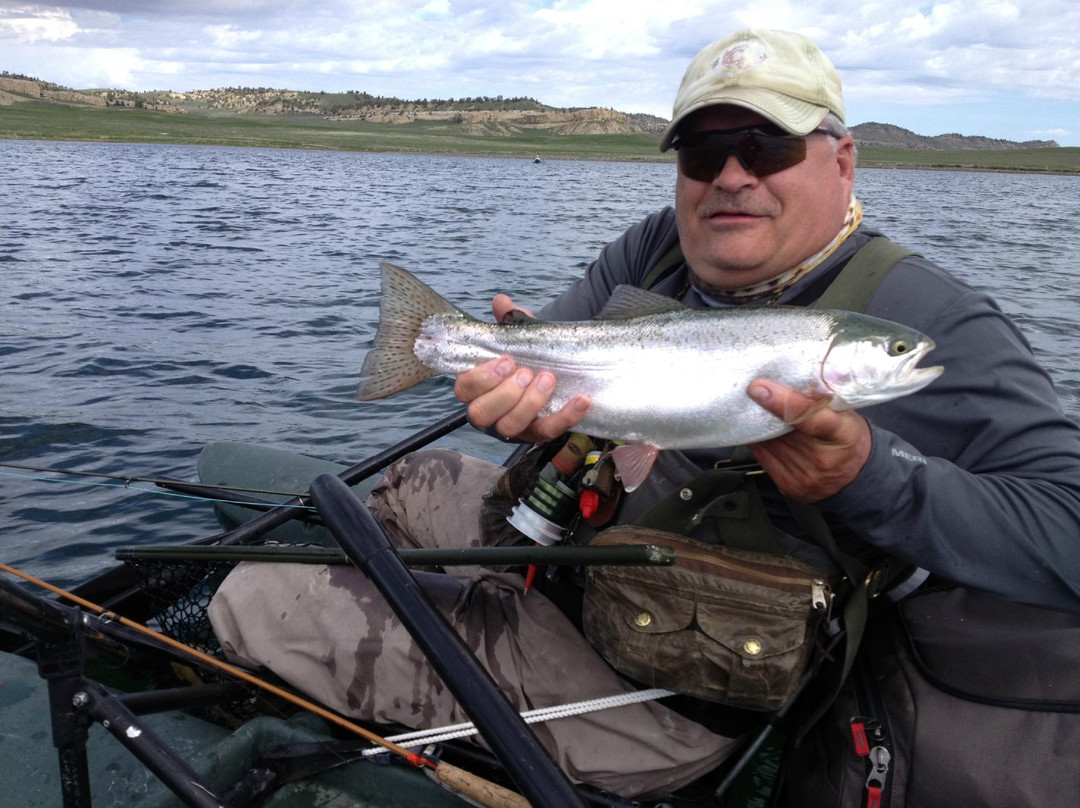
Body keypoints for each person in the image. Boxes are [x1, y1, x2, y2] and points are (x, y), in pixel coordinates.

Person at [211, 28, 1080, 805]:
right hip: (585, 564)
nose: (732, 176)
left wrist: (872, 479)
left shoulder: (937, 322)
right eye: (703, 152)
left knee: (258, 597)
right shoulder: (656, 246)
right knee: (411, 479)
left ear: (843, 162)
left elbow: (1066, 526)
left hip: (680, 695)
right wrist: (511, 407)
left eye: (766, 146)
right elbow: (548, 382)